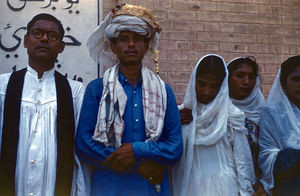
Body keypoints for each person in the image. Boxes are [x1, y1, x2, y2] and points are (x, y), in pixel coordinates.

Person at [75, 4, 183, 196]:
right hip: (109, 187)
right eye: (124, 39)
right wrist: (139, 167)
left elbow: (174, 148)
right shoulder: (97, 89)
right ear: (114, 47)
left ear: (146, 45)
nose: (131, 45)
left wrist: (138, 149)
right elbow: (84, 145)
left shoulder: (164, 92)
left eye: (137, 39)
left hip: (151, 188)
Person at [0, 13, 90, 195]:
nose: (44, 39)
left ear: (61, 46)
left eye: (52, 36)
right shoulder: (3, 86)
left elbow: (80, 155)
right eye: (37, 33)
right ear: (25, 41)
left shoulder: (75, 92)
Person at [172, 54, 255, 196]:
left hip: (224, 187)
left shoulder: (232, 115)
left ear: (222, 86)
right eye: (202, 84)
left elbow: (242, 160)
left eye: (214, 86)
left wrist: (246, 191)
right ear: (193, 81)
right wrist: (173, 123)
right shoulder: (181, 115)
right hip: (188, 185)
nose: (207, 91)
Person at [258, 55, 300, 196]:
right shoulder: (272, 112)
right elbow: (266, 157)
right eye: (295, 79)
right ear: (283, 83)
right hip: (289, 185)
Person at [227, 57, 266, 195]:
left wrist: (266, 185)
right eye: (239, 75)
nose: (246, 82)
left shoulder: (264, 114)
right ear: (227, 78)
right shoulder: (216, 111)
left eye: (252, 76)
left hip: (258, 189)